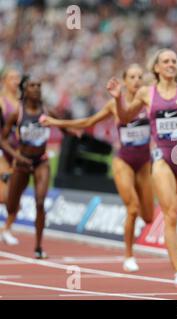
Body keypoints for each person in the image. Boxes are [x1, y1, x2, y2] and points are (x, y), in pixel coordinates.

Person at [107, 49, 177, 288]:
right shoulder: (147, 93)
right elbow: (125, 117)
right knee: (170, 213)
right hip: (162, 159)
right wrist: (117, 98)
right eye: (165, 61)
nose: (170, 64)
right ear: (156, 68)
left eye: (173, 61)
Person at [40, 64, 154, 271]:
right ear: (125, 81)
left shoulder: (149, 101)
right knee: (133, 207)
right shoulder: (114, 105)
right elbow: (89, 121)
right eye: (132, 76)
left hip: (145, 163)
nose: (137, 80)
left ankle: (130, 249)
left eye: (140, 76)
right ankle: (128, 255)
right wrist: (56, 122)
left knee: (148, 216)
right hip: (124, 161)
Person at [0, 75, 77, 258]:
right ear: (25, 90)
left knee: (40, 202)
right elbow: (2, 140)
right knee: (11, 206)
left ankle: (38, 247)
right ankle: (10, 180)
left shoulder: (47, 112)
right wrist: (17, 155)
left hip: (41, 161)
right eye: (32, 85)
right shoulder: (17, 113)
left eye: (39, 86)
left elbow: (64, 127)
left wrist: (76, 131)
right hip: (22, 162)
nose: (36, 89)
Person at [0, 68, 21, 204]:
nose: (16, 81)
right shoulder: (1, 101)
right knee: (3, 194)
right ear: (4, 81)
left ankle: (8, 222)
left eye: (17, 78)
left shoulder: (22, 103)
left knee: (11, 196)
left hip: (18, 150)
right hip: (2, 148)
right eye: (12, 78)